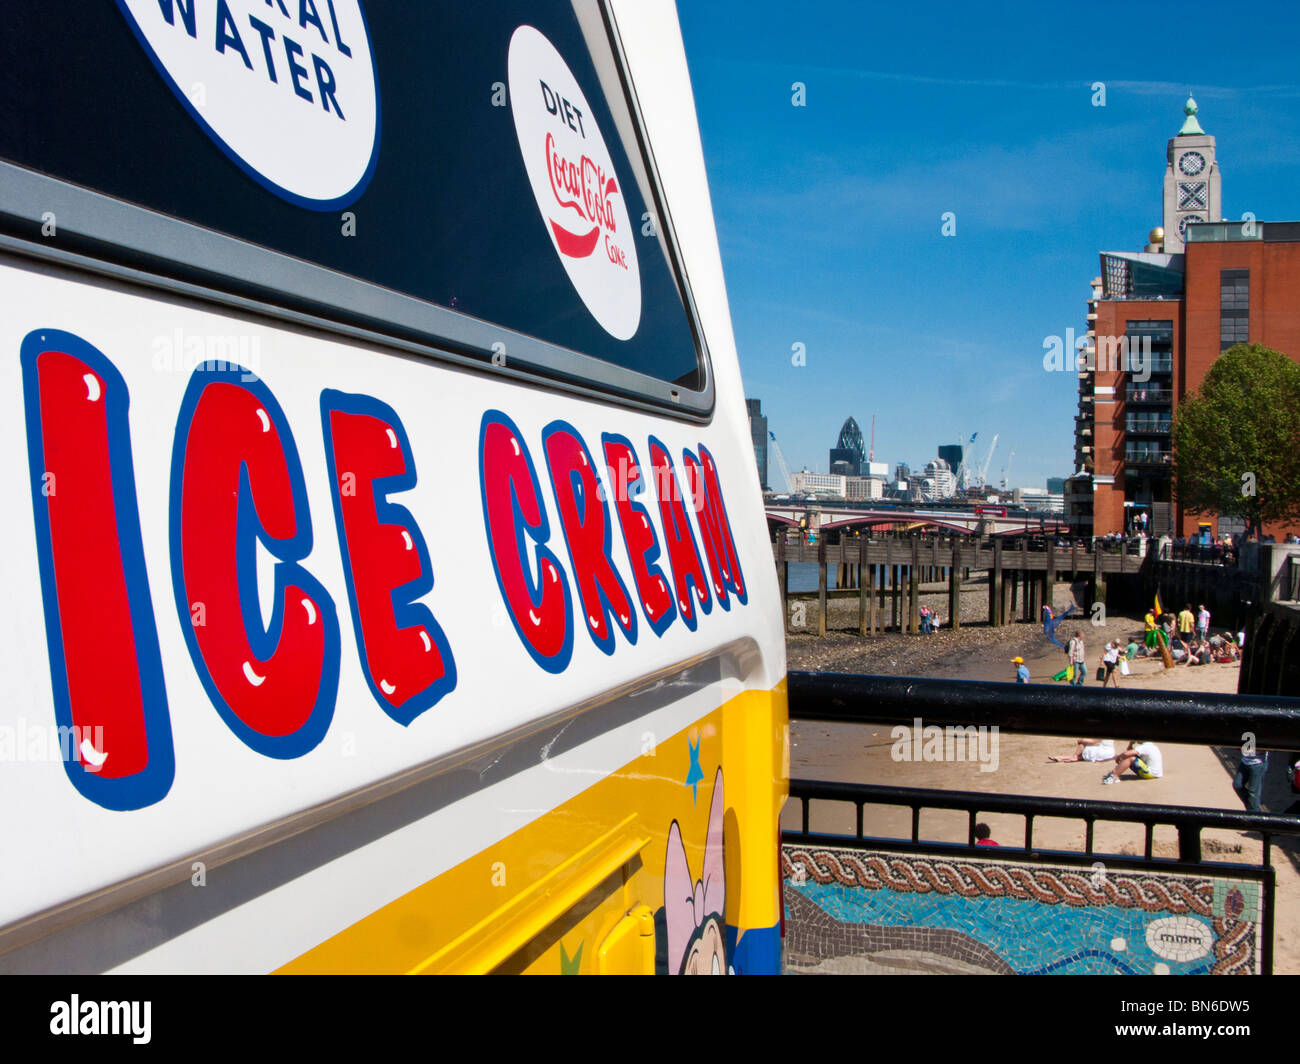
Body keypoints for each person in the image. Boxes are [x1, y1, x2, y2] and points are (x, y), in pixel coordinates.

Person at [1050, 738, 1116, 763]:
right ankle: (1062, 758)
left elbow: (1093, 741)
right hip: (1107, 751)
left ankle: (1074, 756)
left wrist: (1081, 740)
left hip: (1104, 752)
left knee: (1084, 743)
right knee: (1086, 746)